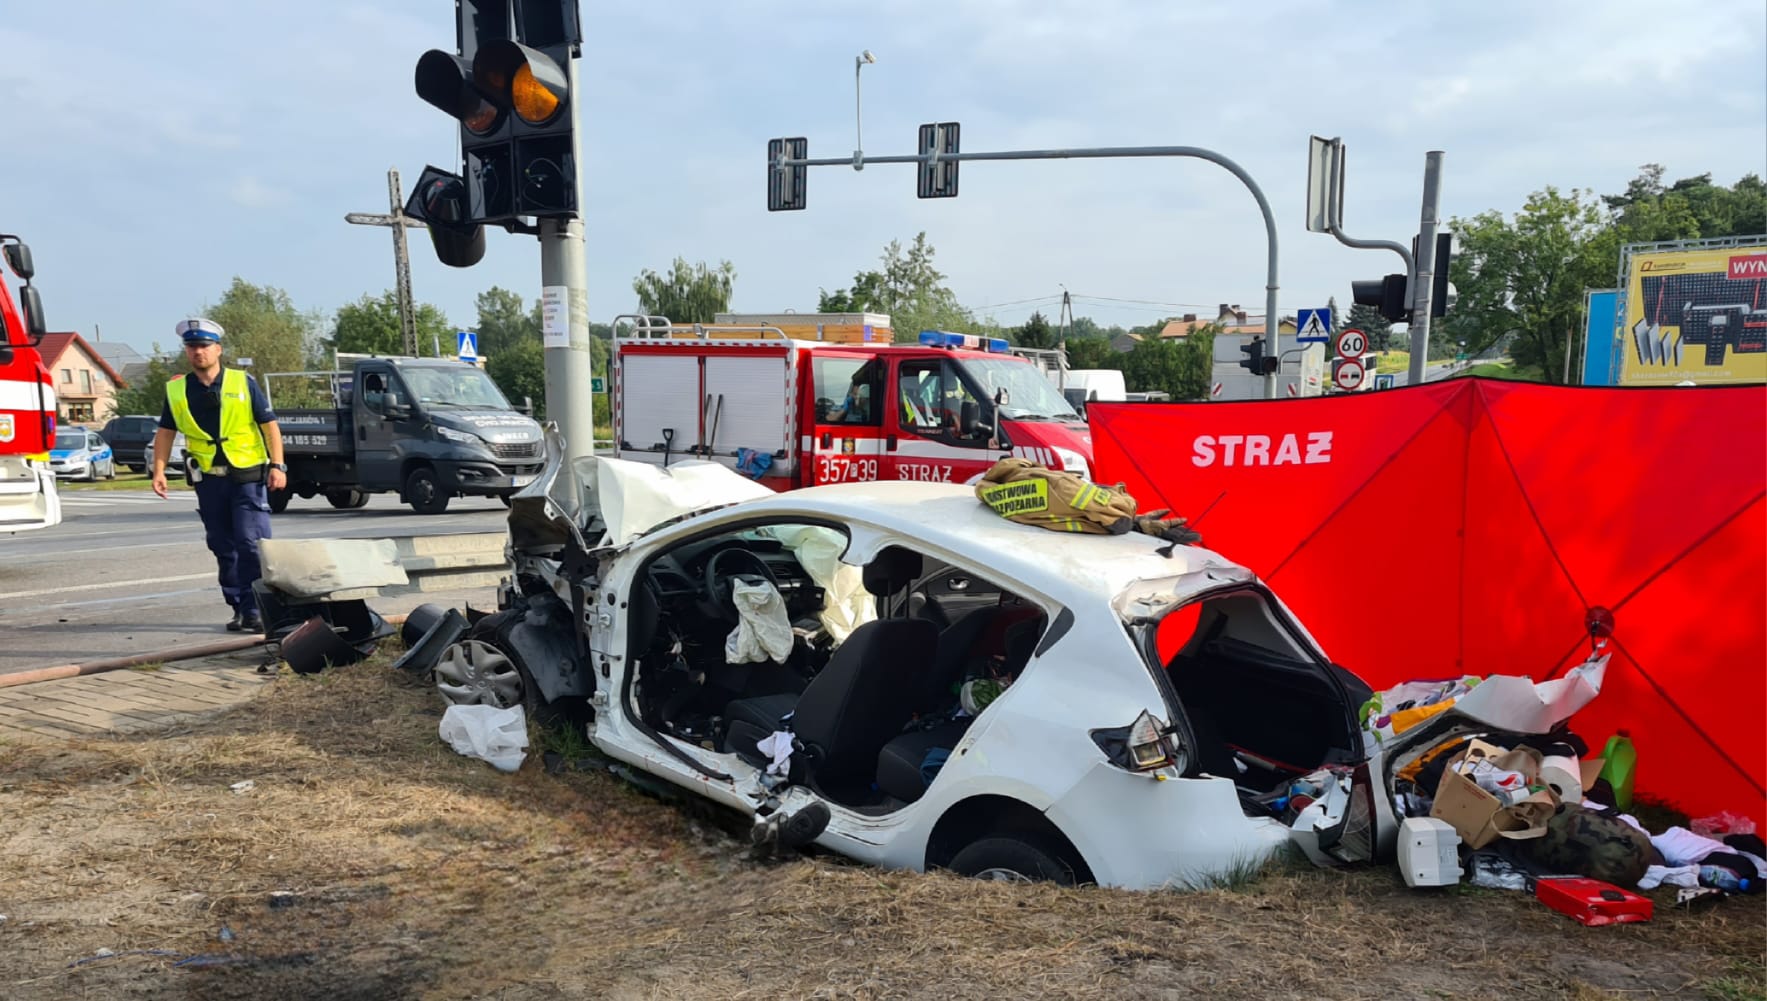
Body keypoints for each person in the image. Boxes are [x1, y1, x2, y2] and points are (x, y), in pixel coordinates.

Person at [151, 318, 287, 632]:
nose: (198, 351)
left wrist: (278, 465)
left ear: (218, 349)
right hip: (209, 479)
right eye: (191, 346)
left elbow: (269, 426)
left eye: (204, 346)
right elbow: (166, 432)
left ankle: (256, 608)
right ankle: (239, 607)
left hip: (247, 476)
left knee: (250, 543)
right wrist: (158, 470)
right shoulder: (177, 390)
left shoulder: (242, 382)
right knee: (222, 546)